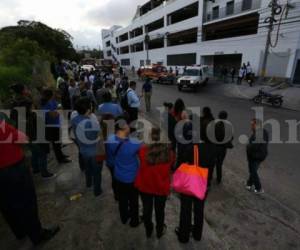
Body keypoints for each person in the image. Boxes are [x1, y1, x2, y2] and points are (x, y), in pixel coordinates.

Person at [0, 119, 60, 246]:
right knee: (27, 202)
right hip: (12, 169)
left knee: (7, 205)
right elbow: (23, 139)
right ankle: (37, 235)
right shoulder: (2, 126)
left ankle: (20, 232)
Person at [174, 119, 209, 244]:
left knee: (186, 210)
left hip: (189, 184)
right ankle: (197, 234)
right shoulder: (210, 148)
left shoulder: (191, 148)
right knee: (199, 210)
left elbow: (182, 161)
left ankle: (184, 236)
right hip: (203, 183)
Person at [135, 128, 174, 238]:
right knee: (160, 211)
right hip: (161, 187)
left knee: (147, 210)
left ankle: (148, 229)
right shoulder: (170, 154)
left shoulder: (142, 151)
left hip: (145, 186)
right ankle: (159, 230)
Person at [106, 117, 142, 227]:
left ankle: (124, 217)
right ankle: (134, 221)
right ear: (123, 128)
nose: (128, 127)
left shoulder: (110, 138)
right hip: (131, 178)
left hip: (118, 175)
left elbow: (110, 158)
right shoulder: (134, 143)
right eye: (127, 125)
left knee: (122, 199)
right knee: (133, 201)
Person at [72, 98, 103, 197]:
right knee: (97, 172)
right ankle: (97, 191)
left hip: (83, 150)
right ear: (88, 109)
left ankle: (89, 184)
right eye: (90, 106)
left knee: (88, 169)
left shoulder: (74, 120)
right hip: (94, 151)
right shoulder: (91, 123)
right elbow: (99, 137)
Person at [41, 89, 71, 164]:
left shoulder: (52, 101)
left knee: (58, 143)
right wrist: (58, 109)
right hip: (51, 126)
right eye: (53, 93)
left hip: (56, 124)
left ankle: (61, 155)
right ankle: (60, 159)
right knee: (56, 144)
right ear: (51, 95)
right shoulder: (47, 104)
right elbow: (53, 115)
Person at [246, 119, 269, 194]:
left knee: (253, 171)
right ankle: (249, 184)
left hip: (255, 156)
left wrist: (248, 146)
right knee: (253, 170)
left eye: (252, 125)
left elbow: (254, 146)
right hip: (261, 155)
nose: (251, 126)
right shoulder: (263, 131)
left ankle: (258, 188)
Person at [213, 111, 233, 184]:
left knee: (213, 162)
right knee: (219, 164)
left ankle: (209, 175)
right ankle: (219, 178)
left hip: (215, 147)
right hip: (223, 148)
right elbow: (231, 137)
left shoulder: (216, 125)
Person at [200, 107, 216, 187]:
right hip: (212, 145)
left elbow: (201, 134)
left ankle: (203, 181)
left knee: (204, 164)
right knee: (210, 165)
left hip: (205, 144)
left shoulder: (203, 121)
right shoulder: (213, 121)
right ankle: (208, 180)